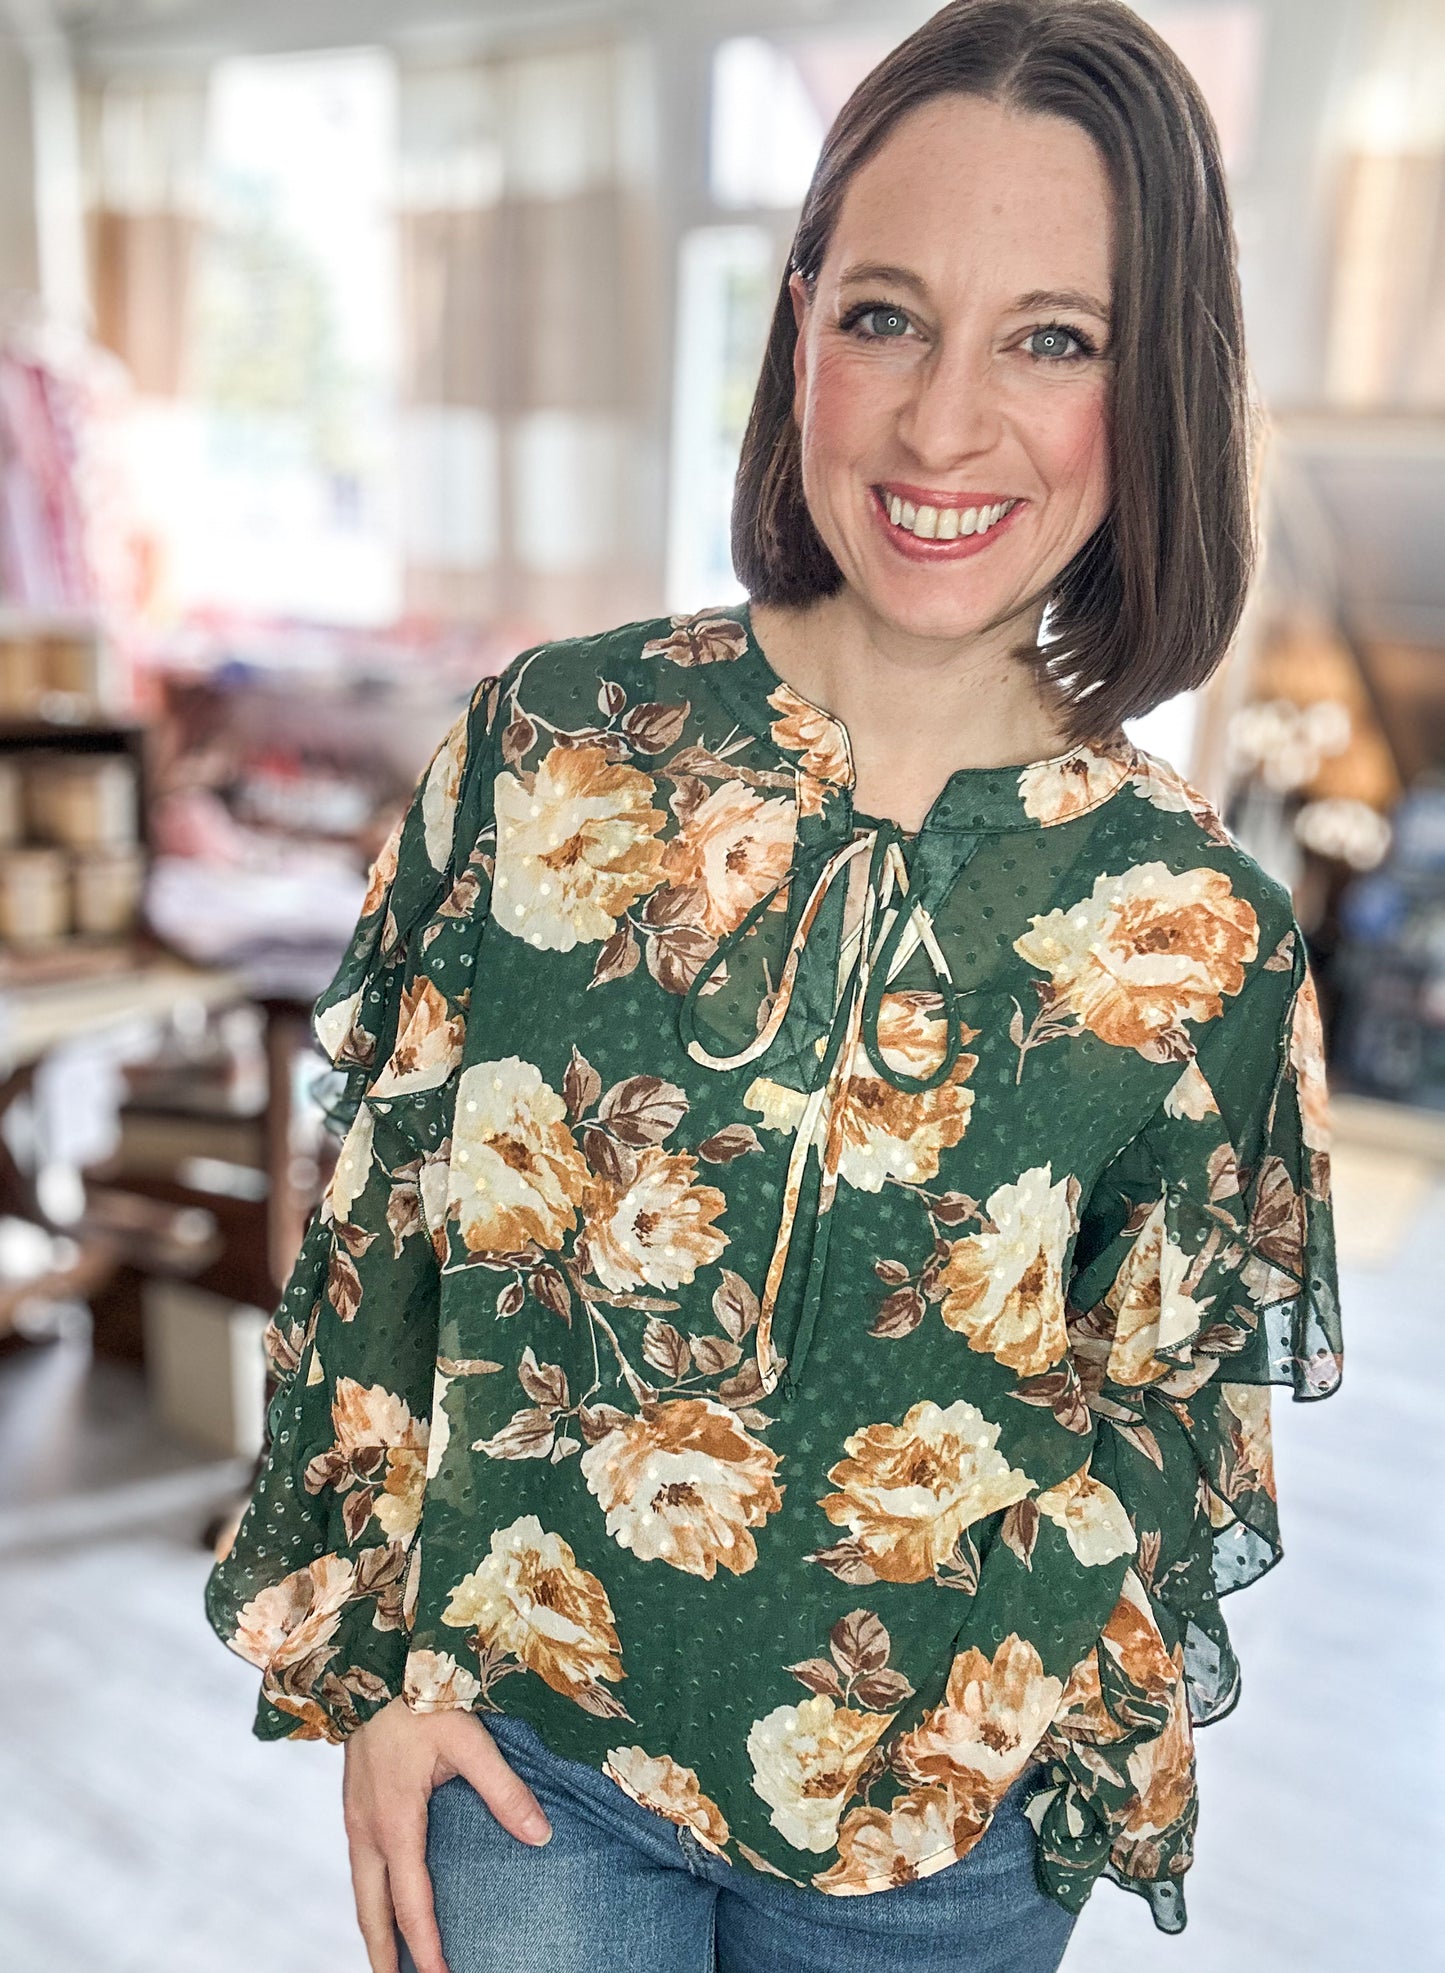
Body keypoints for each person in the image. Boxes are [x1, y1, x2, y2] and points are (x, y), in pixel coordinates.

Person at [203, 2, 1344, 1969]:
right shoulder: (550, 751)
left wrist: (1018, 1740)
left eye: (1051, 340)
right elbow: (386, 1227)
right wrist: (379, 1672)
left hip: (942, 1852)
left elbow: (1153, 1424)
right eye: (887, 315)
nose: (940, 426)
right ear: (799, 317)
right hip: (527, 1771)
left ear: (1152, 387)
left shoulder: (1197, 925)